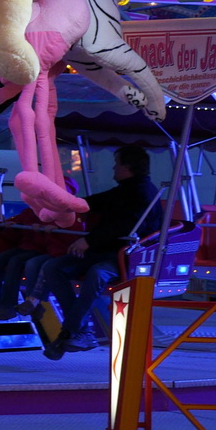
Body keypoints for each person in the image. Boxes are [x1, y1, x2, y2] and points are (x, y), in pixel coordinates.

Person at [35, 145, 159, 358]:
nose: (113, 168)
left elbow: (126, 226)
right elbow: (92, 203)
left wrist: (89, 241)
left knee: (97, 274)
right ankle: (80, 330)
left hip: (126, 256)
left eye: (117, 164)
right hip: (104, 251)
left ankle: (71, 330)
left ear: (127, 168)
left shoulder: (143, 193)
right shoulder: (124, 190)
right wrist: (63, 205)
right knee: (53, 267)